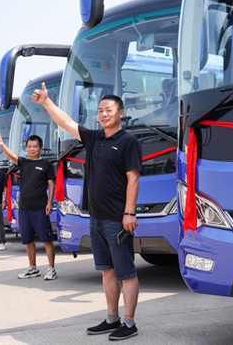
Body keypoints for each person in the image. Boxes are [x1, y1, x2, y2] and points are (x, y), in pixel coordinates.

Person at [33, 83, 142, 341]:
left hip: (118, 219)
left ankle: (129, 323)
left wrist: (129, 212)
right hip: (96, 218)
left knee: (126, 272)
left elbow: (134, 179)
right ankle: (112, 318)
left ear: (120, 113)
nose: (104, 114)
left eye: (109, 110)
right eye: (101, 110)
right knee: (107, 270)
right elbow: (66, 122)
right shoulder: (94, 138)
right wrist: (46, 102)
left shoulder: (128, 142)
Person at [0, 133, 57, 281]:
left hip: (40, 208)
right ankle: (32, 268)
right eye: (29, 147)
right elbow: (11, 156)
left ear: (40, 148)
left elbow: (51, 184)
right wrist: (2, 144)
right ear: (26, 148)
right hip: (24, 209)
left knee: (46, 239)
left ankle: (51, 269)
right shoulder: (23, 163)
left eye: (35, 146)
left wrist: (50, 202)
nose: (32, 149)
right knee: (28, 240)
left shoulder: (46, 165)